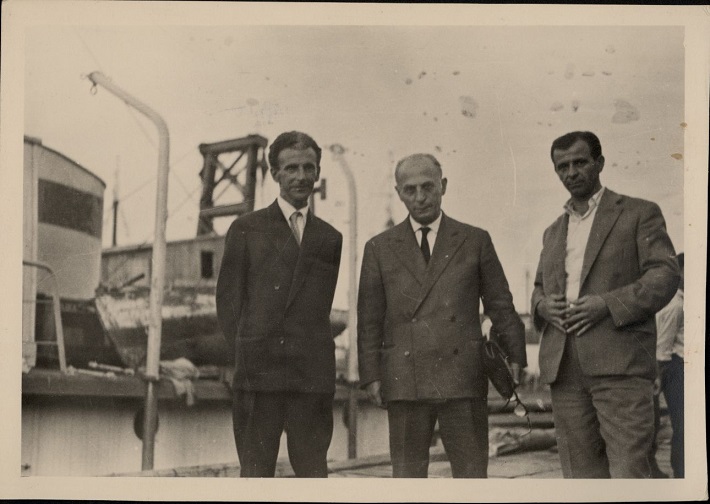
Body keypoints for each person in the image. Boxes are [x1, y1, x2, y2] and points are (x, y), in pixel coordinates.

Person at [357, 153, 526, 478]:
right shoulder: (379, 247)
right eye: (410, 190)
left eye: (428, 187)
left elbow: (500, 304)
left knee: (471, 479)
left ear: (443, 186)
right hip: (405, 381)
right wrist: (371, 375)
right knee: (407, 482)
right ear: (398, 193)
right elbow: (369, 320)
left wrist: (517, 355)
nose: (420, 197)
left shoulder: (474, 240)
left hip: (462, 379)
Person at [531, 131, 680, 478]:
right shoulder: (553, 231)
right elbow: (538, 287)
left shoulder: (639, 213)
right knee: (580, 479)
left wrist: (607, 304)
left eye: (580, 162)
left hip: (621, 367)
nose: (571, 172)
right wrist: (542, 307)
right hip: (564, 370)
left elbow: (665, 274)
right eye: (562, 166)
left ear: (599, 163)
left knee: (629, 473)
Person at [216, 131, 343, 477]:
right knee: (256, 476)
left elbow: (318, 308)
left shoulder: (330, 238)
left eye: (308, 168)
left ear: (318, 172)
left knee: (313, 475)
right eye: (291, 168)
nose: (301, 176)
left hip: (310, 378)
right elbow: (228, 304)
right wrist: (246, 357)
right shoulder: (246, 228)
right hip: (260, 376)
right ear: (274, 173)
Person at [656, 252, 684, 478]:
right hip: (675, 367)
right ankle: (681, 471)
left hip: (683, 366)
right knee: (682, 423)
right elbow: (663, 348)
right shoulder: (675, 304)